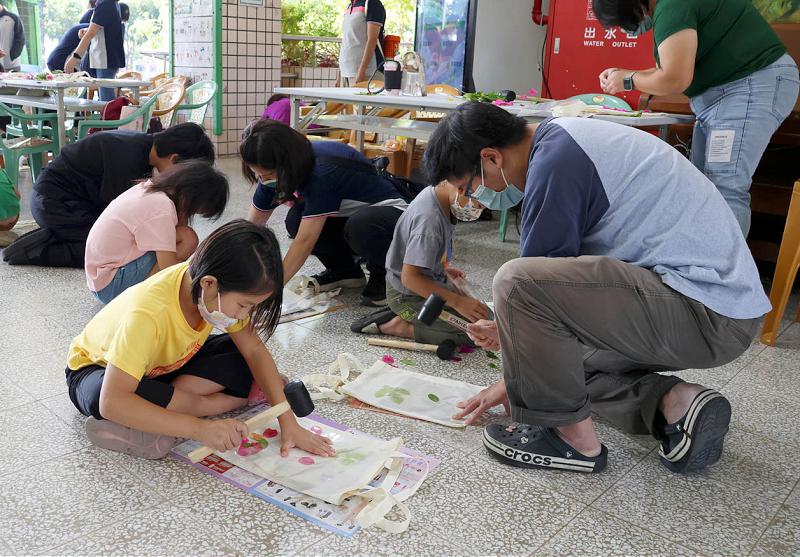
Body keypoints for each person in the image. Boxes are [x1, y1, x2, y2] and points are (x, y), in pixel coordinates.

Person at [424, 102, 770, 475]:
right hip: (715, 311)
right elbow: (551, 321)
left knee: (515, 282)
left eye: (470, 186)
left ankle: (572, 440)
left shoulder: (556, 163)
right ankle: (677, 404)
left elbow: (530, 289)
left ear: (490, 158)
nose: (477, 197)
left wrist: (516, 373)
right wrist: (521, 368)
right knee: (559, 369)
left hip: (704, 312)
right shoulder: (563, 140)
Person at [65, 219, 335, 460]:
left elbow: (253, 350)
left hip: (161, 369)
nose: (245, 315)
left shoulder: (208, 289)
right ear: (209, 284)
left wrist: (288, 421)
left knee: (242, 355)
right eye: (244, 305)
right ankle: (199, 408)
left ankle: (156, 417)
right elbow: (112, 400)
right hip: (96, 372)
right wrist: (200, 428)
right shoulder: (149, 313)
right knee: (113, 398)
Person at [594, 0, 800, 237]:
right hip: (729, 93)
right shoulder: (671, 8)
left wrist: (628, 80)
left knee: (724, 187)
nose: (626, 29)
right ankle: (704, 262)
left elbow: (675, 79)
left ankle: (725, 271)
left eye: (624, 22)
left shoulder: (673, 6)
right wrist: (626, 75)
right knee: (701, 186)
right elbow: (672, 70)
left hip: (748, 87)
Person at [241, 119, 408, 306]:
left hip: (391, 217)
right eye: (258, 175)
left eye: (269, 175)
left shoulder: (322, 170)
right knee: (295, 219)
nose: (263, 180)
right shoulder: (275, 168)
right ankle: (344, 271)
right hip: (349, 216)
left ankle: (385, 277)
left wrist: (271, 289)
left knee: (361, 225)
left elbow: (305, 241)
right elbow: (250, 228)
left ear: (286, 163)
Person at [2, 122, 215, 268]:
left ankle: (55, 235)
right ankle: (33, 249)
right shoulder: (128, 160)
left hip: (74, 203)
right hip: (54, 205)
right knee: (110, 252)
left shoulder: (141, 148)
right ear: (175, 159)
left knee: (130, 246)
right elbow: (125, 221)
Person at [351, 180, 489, 345]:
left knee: (486, 319)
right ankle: (398, 325)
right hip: (406, 295)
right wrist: (457, 302)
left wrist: (441, 269)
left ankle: (411, 315)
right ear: (461, 187)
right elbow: (410, 278)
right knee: (473, 335)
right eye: (479, 204)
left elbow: (422, 253)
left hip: (424, 285)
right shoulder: (429, 221)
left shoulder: (438, 195)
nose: (479, 210)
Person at [85, 160, 229, 304]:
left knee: (183, 236)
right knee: (188, 238)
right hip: (111, 286)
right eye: (196, 209)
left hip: (100, 280)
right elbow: (168, 267)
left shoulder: (150, 188)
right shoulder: (161, 207)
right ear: (191, 197)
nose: (192, 214)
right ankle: (149, 294)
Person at [65, 0, 125, 101]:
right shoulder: (108, 4)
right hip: (105, 59)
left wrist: (74, 58)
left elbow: (90, 34)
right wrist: (86, 29)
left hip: (106, 59)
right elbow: (98, 28)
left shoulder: (106, 4)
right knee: (105, 99)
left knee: (106, 101)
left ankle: (109, 116)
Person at [338, 0, 385, 86]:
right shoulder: (350, 6)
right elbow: (346, 41)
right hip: (346, 73)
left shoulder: (372, 3)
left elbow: (372, 40)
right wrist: (339, 74)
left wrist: (361, 71)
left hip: (367, 72)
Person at [0, 3, 25, 73]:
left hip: (12, 65)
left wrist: (12, 56)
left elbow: (20, 39)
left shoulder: (13, 18)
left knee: (14, 83)